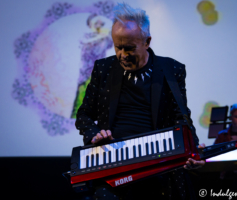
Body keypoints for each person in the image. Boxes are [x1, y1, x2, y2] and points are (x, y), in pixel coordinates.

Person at [75, 3, 205, 200]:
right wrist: (95, 135)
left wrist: (194, 151)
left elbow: (182, 116)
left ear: (147, 42)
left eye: (129, 48)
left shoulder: (171, 70)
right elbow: (83, 114)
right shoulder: (103, 69)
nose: (122, 55)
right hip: (114, 164)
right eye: (118, 47)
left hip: (158, 163)